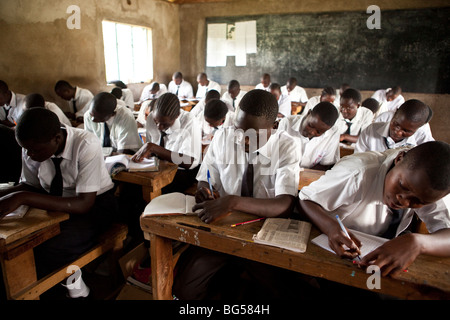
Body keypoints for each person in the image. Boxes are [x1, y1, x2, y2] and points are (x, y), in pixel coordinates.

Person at [173, 89, 302, 300]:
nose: (244, 140)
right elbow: (207, 172)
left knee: (278, 290)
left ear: (274, 127)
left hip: (264, 233)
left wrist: (232, 202)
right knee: (185, 289)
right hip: (223, 226)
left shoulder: (287, 146)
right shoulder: (223, 136)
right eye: (239, 131)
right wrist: (203, 189)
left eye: (253, 135)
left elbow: (284, 204)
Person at [299, 141, 450, 278]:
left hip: (375, 250)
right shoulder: (357, 172)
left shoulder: (430, 186)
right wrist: (331, 227)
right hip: (331, 247)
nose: (403, 200)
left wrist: (418, 242)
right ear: (398, 159)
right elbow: (305, 199)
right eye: (402, 186)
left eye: (418, 202)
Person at [0, 108, 118, 281]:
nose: (30, 155)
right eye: (26, 150)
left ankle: (71, 286)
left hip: (95, 206)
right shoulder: (31, 147)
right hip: (54, 203)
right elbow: (29, 185)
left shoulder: (85, 143)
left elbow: (84, 204)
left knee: (52, 247)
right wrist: (7, 194)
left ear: (57, 138)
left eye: (35, 151)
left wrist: (22, 197)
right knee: (22, 241)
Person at [132, 93, 202, 193]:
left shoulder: (189, 121)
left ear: (177, 115)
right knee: (132, 187)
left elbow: (190, 162)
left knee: (159, 190)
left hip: (182, 171)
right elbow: (150, 147)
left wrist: (155, 148)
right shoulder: (152, 117)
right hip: (159, 167)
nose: (159, 127)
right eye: (156, 122)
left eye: (165, 124)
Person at [278, 101, 340, 170]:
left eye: (318, 132)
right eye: (310, 125)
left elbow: (326, 164)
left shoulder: (333, 133)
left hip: (311, 177)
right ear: (308, 113)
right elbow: (275, 156)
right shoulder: (287, 123)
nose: (312, 132)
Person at [355, 99, 434, 153]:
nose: (398, 133)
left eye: (406, 131)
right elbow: (357, 160)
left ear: (419, 128)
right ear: (395, 113)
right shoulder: (371, 130)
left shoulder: (422, 139)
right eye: (396, 125)